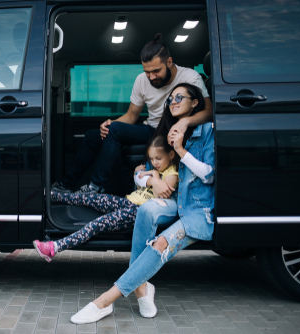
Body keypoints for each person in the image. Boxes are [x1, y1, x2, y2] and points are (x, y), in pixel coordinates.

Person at [68, 83, 215, 324]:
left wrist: (180, 149)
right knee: (146, 209)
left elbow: (208, 175)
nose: (173, 102)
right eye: (170, 99)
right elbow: (139, 173)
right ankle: (141, 286)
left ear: (195, 102)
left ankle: (105, 301)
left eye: (180, 97)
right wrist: (154, 179)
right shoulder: (163, 132)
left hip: (197, 209)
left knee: (161, 242)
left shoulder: (206, 130)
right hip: (173, 200)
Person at [52, 33, 212, 196]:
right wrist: (110, 124)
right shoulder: (142, 80)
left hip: (172, 131)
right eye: (147, 72)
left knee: (114, 130)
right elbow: (131, 116)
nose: (152, 77)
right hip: (152, 129)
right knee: (93, 136)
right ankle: (66, 185)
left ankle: (96, 188)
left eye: (156, 71)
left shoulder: (190, 77)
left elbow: (209, 112)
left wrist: (185, 122)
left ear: (169, 62)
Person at [33, 135, 179, 262]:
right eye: (152, 159)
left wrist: (152, 175)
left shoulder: (172, 174)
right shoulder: (155, 169)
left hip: (138, 211)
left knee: (97, 224)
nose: (155, 162)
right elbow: (140, 184)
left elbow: (162, 194)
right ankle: (51, 196)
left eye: (158, 158)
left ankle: (54, 247)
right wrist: (147, 176)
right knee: (90, 198)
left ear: (171, 155)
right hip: (128, 201)